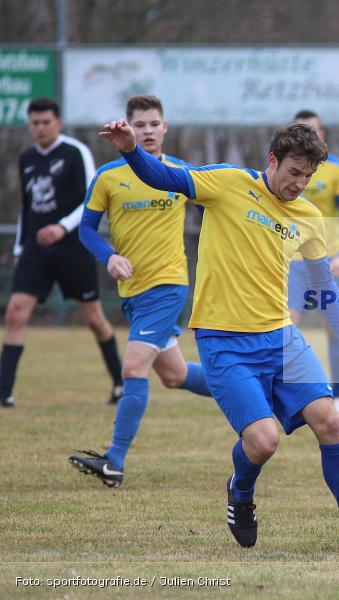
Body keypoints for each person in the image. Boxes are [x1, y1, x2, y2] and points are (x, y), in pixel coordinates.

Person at [98, 119, 339, 553]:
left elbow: (323, 283)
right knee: (263, 441)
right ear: (273, 160)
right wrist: (131, 150)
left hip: (281, 337)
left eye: (308, 176)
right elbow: (164, 176)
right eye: (294, 173)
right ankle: (241, 491)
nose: (300, 184)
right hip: (224, 342)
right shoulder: (228, 184)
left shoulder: (308, 216)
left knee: (329, 420)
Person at [68, 95, 213, 488]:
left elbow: (217, 212)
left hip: (168, 287)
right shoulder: (109, 176)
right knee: (175, 375)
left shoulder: (181, 174)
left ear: (165, 127)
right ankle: (249, 387)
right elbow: (85, 229)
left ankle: (113, 461)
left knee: (132, 368)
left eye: (154, 123)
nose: (147, 130)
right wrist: (109, 256)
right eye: (140, 125)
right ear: (129, 129)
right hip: (133, 292)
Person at [1, 98, 123, 409]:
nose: (40, 128)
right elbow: (26, 209)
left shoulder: (75, 152)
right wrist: (19, 247)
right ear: (29, 125)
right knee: (15, 312)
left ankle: (120, 383)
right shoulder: (26, 158)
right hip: (35, 249)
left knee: (94, 318)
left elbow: (91, 199)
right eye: (35, 123)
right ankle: (4, 392)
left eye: (46, 122)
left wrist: (61, 226)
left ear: (58, 122)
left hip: (73, 246)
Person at [287, 109, 339, 415]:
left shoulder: (337, 169)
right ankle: (288, 387)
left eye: (313, 131)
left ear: (322, 135)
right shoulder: (284, 168)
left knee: (334, 325)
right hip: (291, 259)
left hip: (327, 260)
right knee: (286, 324)